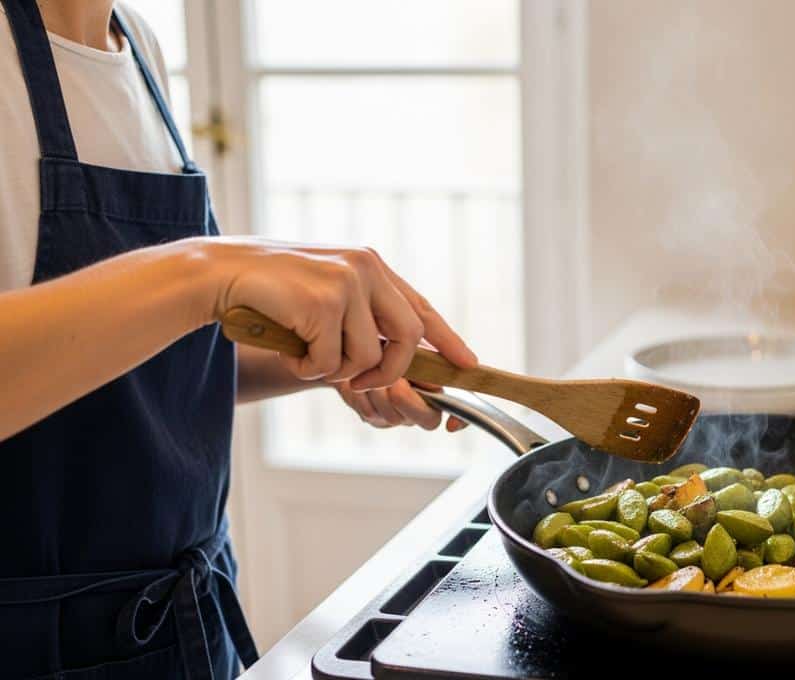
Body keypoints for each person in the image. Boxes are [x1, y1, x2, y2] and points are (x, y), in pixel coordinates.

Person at [0, 1, 477, 677]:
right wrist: (206, 272)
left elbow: (152, 366)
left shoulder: (133, 43)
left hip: (183, 635)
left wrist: (335, 350)